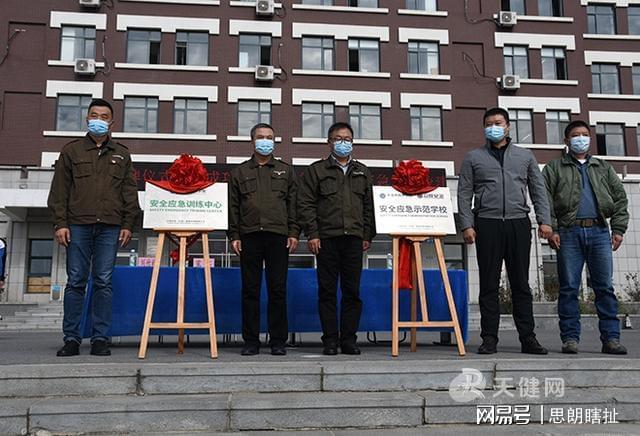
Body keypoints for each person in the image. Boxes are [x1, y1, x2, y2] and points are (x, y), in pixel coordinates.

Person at [48, 98, 140, 357]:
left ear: (112, 122)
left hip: (110, 227)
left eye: (104, 116)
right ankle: (71, 339)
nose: (99, 120)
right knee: (76, 281)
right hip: (78, 225)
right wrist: (60, 223)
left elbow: (129, 192)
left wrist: (128, 224)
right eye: (94, 115)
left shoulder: (122, 153)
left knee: (103, 282)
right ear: (86, 119)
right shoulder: (71, 151)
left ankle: (101, 338)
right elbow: (59, 191)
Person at [458, 107, 553, 355]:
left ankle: (528, 338)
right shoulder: (473, 157)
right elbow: (464, 192)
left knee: (520, 283)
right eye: (489, 123)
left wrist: (545, 221)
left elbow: (538, 190)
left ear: (508, 126)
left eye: (498, 122)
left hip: (518, 223)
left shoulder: (525, 156)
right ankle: (489, 338)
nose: (493, 127)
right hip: (486, 223)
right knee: (489, 283)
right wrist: (467, 224)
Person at [542, 120, 629, 355]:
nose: (581, 138)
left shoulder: (603, 167)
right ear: (566, 141)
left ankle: (611, 338)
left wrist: (618, 229)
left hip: (600, 231)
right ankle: (570, 338)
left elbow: (620, 199)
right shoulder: (554, 168)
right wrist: (552, 229)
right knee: (569, 288)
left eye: (584, 134)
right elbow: (545, 201)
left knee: (604, 287)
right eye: (575, 135)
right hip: (568, 233)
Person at [298, 122, 375, 355]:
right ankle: (330, 340)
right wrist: (312, 233)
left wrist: (366, 234)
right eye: (338, 139)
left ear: (353, 142)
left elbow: (369, 207)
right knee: (327, 291)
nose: (343, 143)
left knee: (352, 291)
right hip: (326, 239)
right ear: (329, 142)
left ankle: (349, 339)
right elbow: (306, 204)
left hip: (353, 238)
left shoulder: (363, 171)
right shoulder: (316, 170)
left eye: (347, 139)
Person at [228, 123, 299, 356]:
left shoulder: (286, 171)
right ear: (252, 141)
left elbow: (293, 204)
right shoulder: (239, 172)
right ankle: (251, 341)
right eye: (261, 137)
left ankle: (278, 341)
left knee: (277, 289)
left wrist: (294, 232)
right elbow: (233, 207)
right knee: (250, 290)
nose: (265, 141)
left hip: (278, 236)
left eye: (269, 137)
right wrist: (234, 235)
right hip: (249, 236)